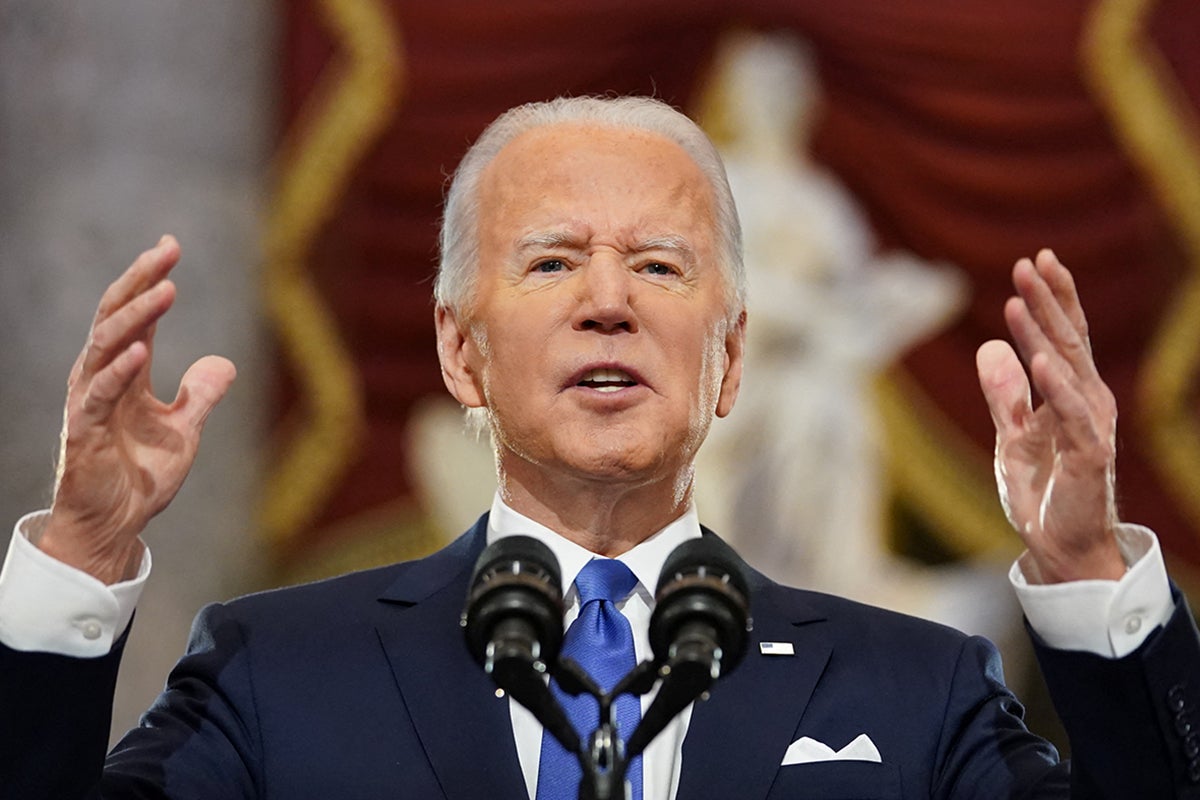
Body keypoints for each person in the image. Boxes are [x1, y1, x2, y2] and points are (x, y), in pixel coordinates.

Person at [0, 96, 1196, 799]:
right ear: (461, 352)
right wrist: (80, 556)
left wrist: (1090, 570)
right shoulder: (275, 674)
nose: (608, 302)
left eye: (660, 266)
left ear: (730, 359)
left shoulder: (919, 691)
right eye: (553, 260)